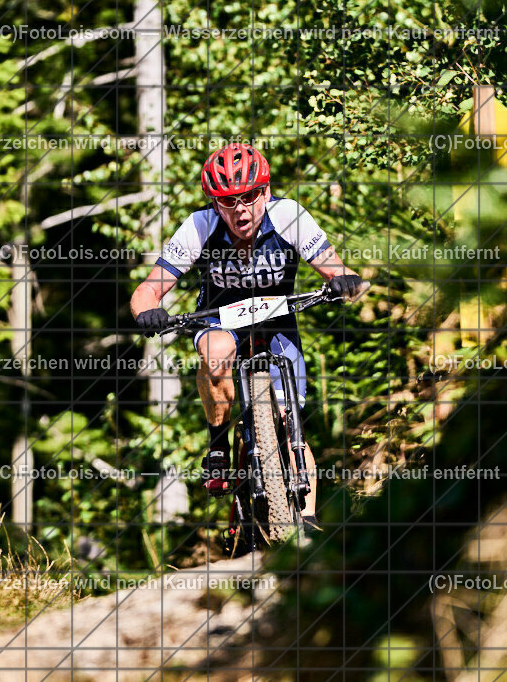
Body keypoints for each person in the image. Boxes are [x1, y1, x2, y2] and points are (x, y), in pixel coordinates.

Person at [130, 142, 364, 531]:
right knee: (218, 351)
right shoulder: (200, 226)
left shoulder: (289, 216)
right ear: (215, 202)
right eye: (227, 201)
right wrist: (148, 311)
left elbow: (335, 269)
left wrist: (344, 281)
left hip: (277, 324)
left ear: (265, 192)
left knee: (291, 419)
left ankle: (305, 521)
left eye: (249, 196)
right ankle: (218, 442)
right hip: (220, 320)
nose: (240, 209)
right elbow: (147, 289)